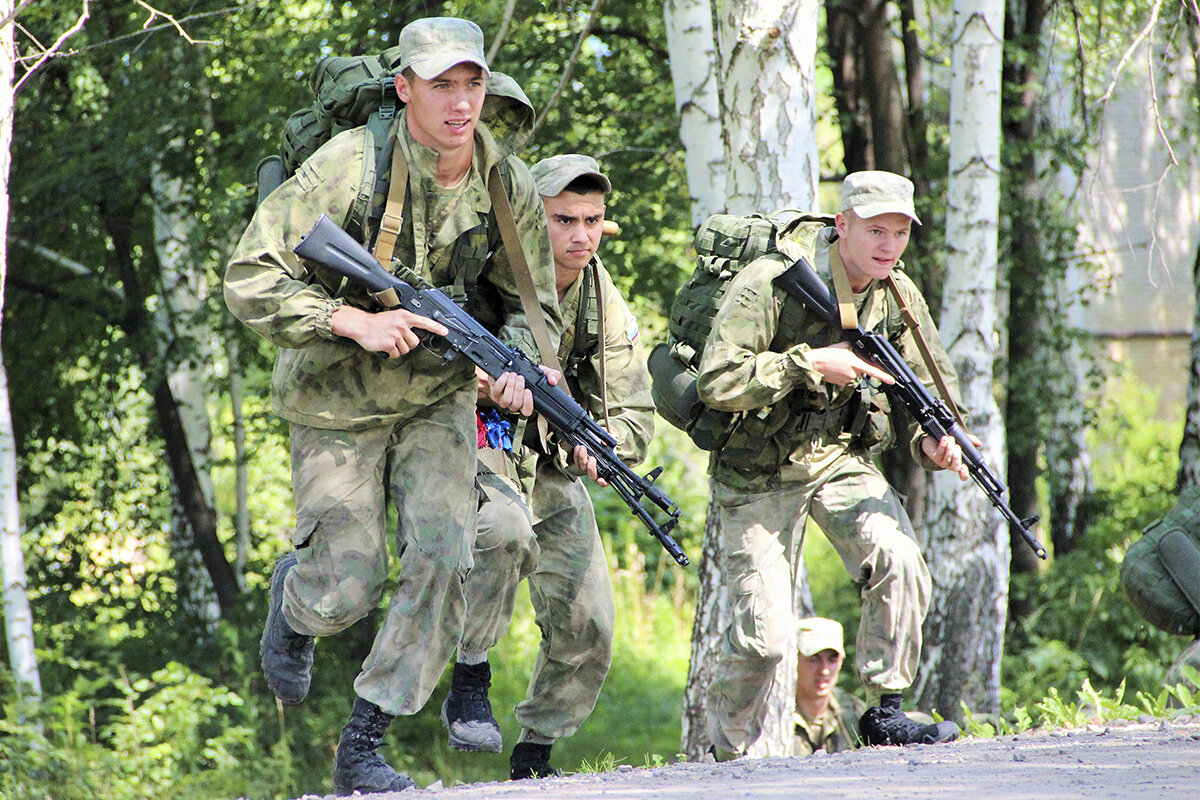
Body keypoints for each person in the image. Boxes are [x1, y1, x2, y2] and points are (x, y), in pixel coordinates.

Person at [223, 17, 561, 795]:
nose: (461, 102)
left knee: (445, 553)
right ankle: (297, 600)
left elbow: (530, 306)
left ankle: (365, 740)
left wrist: (516, 372)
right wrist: (353, 320)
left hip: (435, 397)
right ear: (404, 87)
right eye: (442, 84)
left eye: (472, 83)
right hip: (336, 396)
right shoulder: (348, 164)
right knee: (346, 588)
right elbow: (249, 275)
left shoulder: (504, 180)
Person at [697, 171, 967, 757]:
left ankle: (886, 712)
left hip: (836, 458)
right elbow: (716, 381)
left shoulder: (897, 294)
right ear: (841, 225)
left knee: (898, 558)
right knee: (764, 642)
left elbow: (930, 395)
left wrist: (934, 442)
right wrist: (808, 363)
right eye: (875, 230)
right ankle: (723, 759)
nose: (888, 246)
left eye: (899, 233)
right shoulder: (772, 281)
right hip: (757, 473)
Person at [439, 154, 655, 780]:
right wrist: (478, 386)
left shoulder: (598, 294)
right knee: (504, 535)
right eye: (564, 220)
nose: (581, 236)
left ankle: (534, 753)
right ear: (533, 218)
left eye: (593, 220)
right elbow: (419, 358)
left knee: (588, 622)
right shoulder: (480, 268)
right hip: (475, 439)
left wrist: (605, 445)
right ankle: (470, 675)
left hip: (549, 453)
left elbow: (631, 401)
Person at [793, 617, 864, 755]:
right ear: (795, 660)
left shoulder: (853, 713)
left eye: (832, 659)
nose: (824, 670)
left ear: (841, 662)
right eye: (814, 659)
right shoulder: (774, 717)